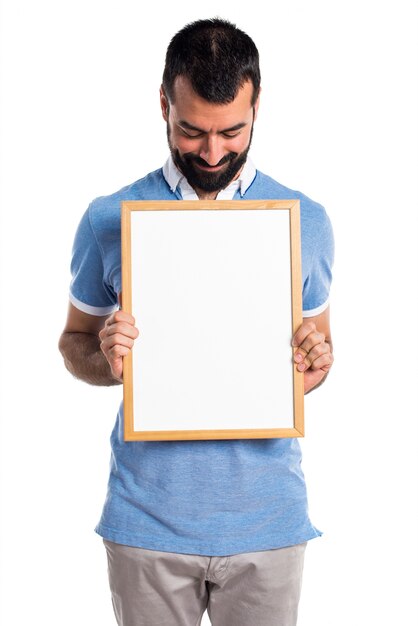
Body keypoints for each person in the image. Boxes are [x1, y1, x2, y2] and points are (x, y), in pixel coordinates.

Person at [58, 17, 334, 626]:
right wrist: (107, 360)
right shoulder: (109, 217)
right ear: (163, 104)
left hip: (269, 520)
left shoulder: (305, 221)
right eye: (192, 132)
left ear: (257, 105)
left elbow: (317, 356)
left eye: (231, 132)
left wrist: (314, 363)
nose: (212, 153)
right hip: (147, 521)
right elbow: (74, 341)